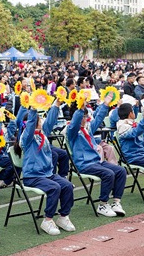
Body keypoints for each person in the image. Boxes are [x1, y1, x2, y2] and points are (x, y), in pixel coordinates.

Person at [15, 104, 75, 235]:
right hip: (32, 176)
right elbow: (30, 126)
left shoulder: (42, 134)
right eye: (39, 120)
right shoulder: (26, 138)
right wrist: (33, 110)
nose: (42, 121)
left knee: (68, 186)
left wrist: (56, 105)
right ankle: (47, 220)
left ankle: (63, 217)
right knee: (55, 188)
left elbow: (51, 121)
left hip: (47, 174)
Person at [67, 100, 128, 216]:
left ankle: (116, 202)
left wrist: (106, 104)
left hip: (96, 162)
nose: (86, 119)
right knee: (108, 174)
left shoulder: (87, 129)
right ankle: (103, 204)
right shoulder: (72, 131)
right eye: (84, 117)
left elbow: (98, 119)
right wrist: (80, 109)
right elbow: (75, 123)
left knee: (121, 170)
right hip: (84, 164)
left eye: (86, 116)